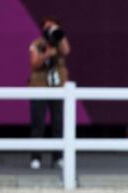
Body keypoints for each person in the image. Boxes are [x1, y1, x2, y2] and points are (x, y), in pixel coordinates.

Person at [28, 16, 71, 170]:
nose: (50, 29)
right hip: (39, 87)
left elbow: (66, 50)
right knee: (38, 124)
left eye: (53, 26)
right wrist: (46, 54)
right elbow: (34, 64)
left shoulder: (59, 43)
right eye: (47, 27)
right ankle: (36, 158)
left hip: (57, 88)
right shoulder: (36, 44)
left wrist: (59, 35)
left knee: (58, 123)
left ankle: (58, 157)